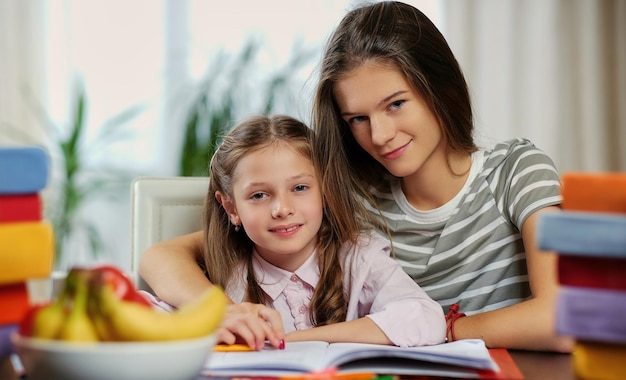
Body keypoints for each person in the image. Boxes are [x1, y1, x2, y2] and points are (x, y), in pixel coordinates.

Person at [140, 2, 573, 352]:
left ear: (439, 88)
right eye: (358, 118)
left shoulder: (516, 169)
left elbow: (561, 319)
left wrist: (445, 328)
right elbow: (163, 256)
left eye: (396, 104)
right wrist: (218, 312)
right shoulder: (348, 197)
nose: (380, 135)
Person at [149, 114, 445, 349]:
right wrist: (213, 321)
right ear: (231, 208)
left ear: (325, 191)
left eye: (300, 188)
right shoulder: (224, 275)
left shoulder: (358, 257)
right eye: (259, 196)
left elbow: (425, 317)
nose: (282, 208)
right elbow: (144, 314)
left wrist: (290, 342)